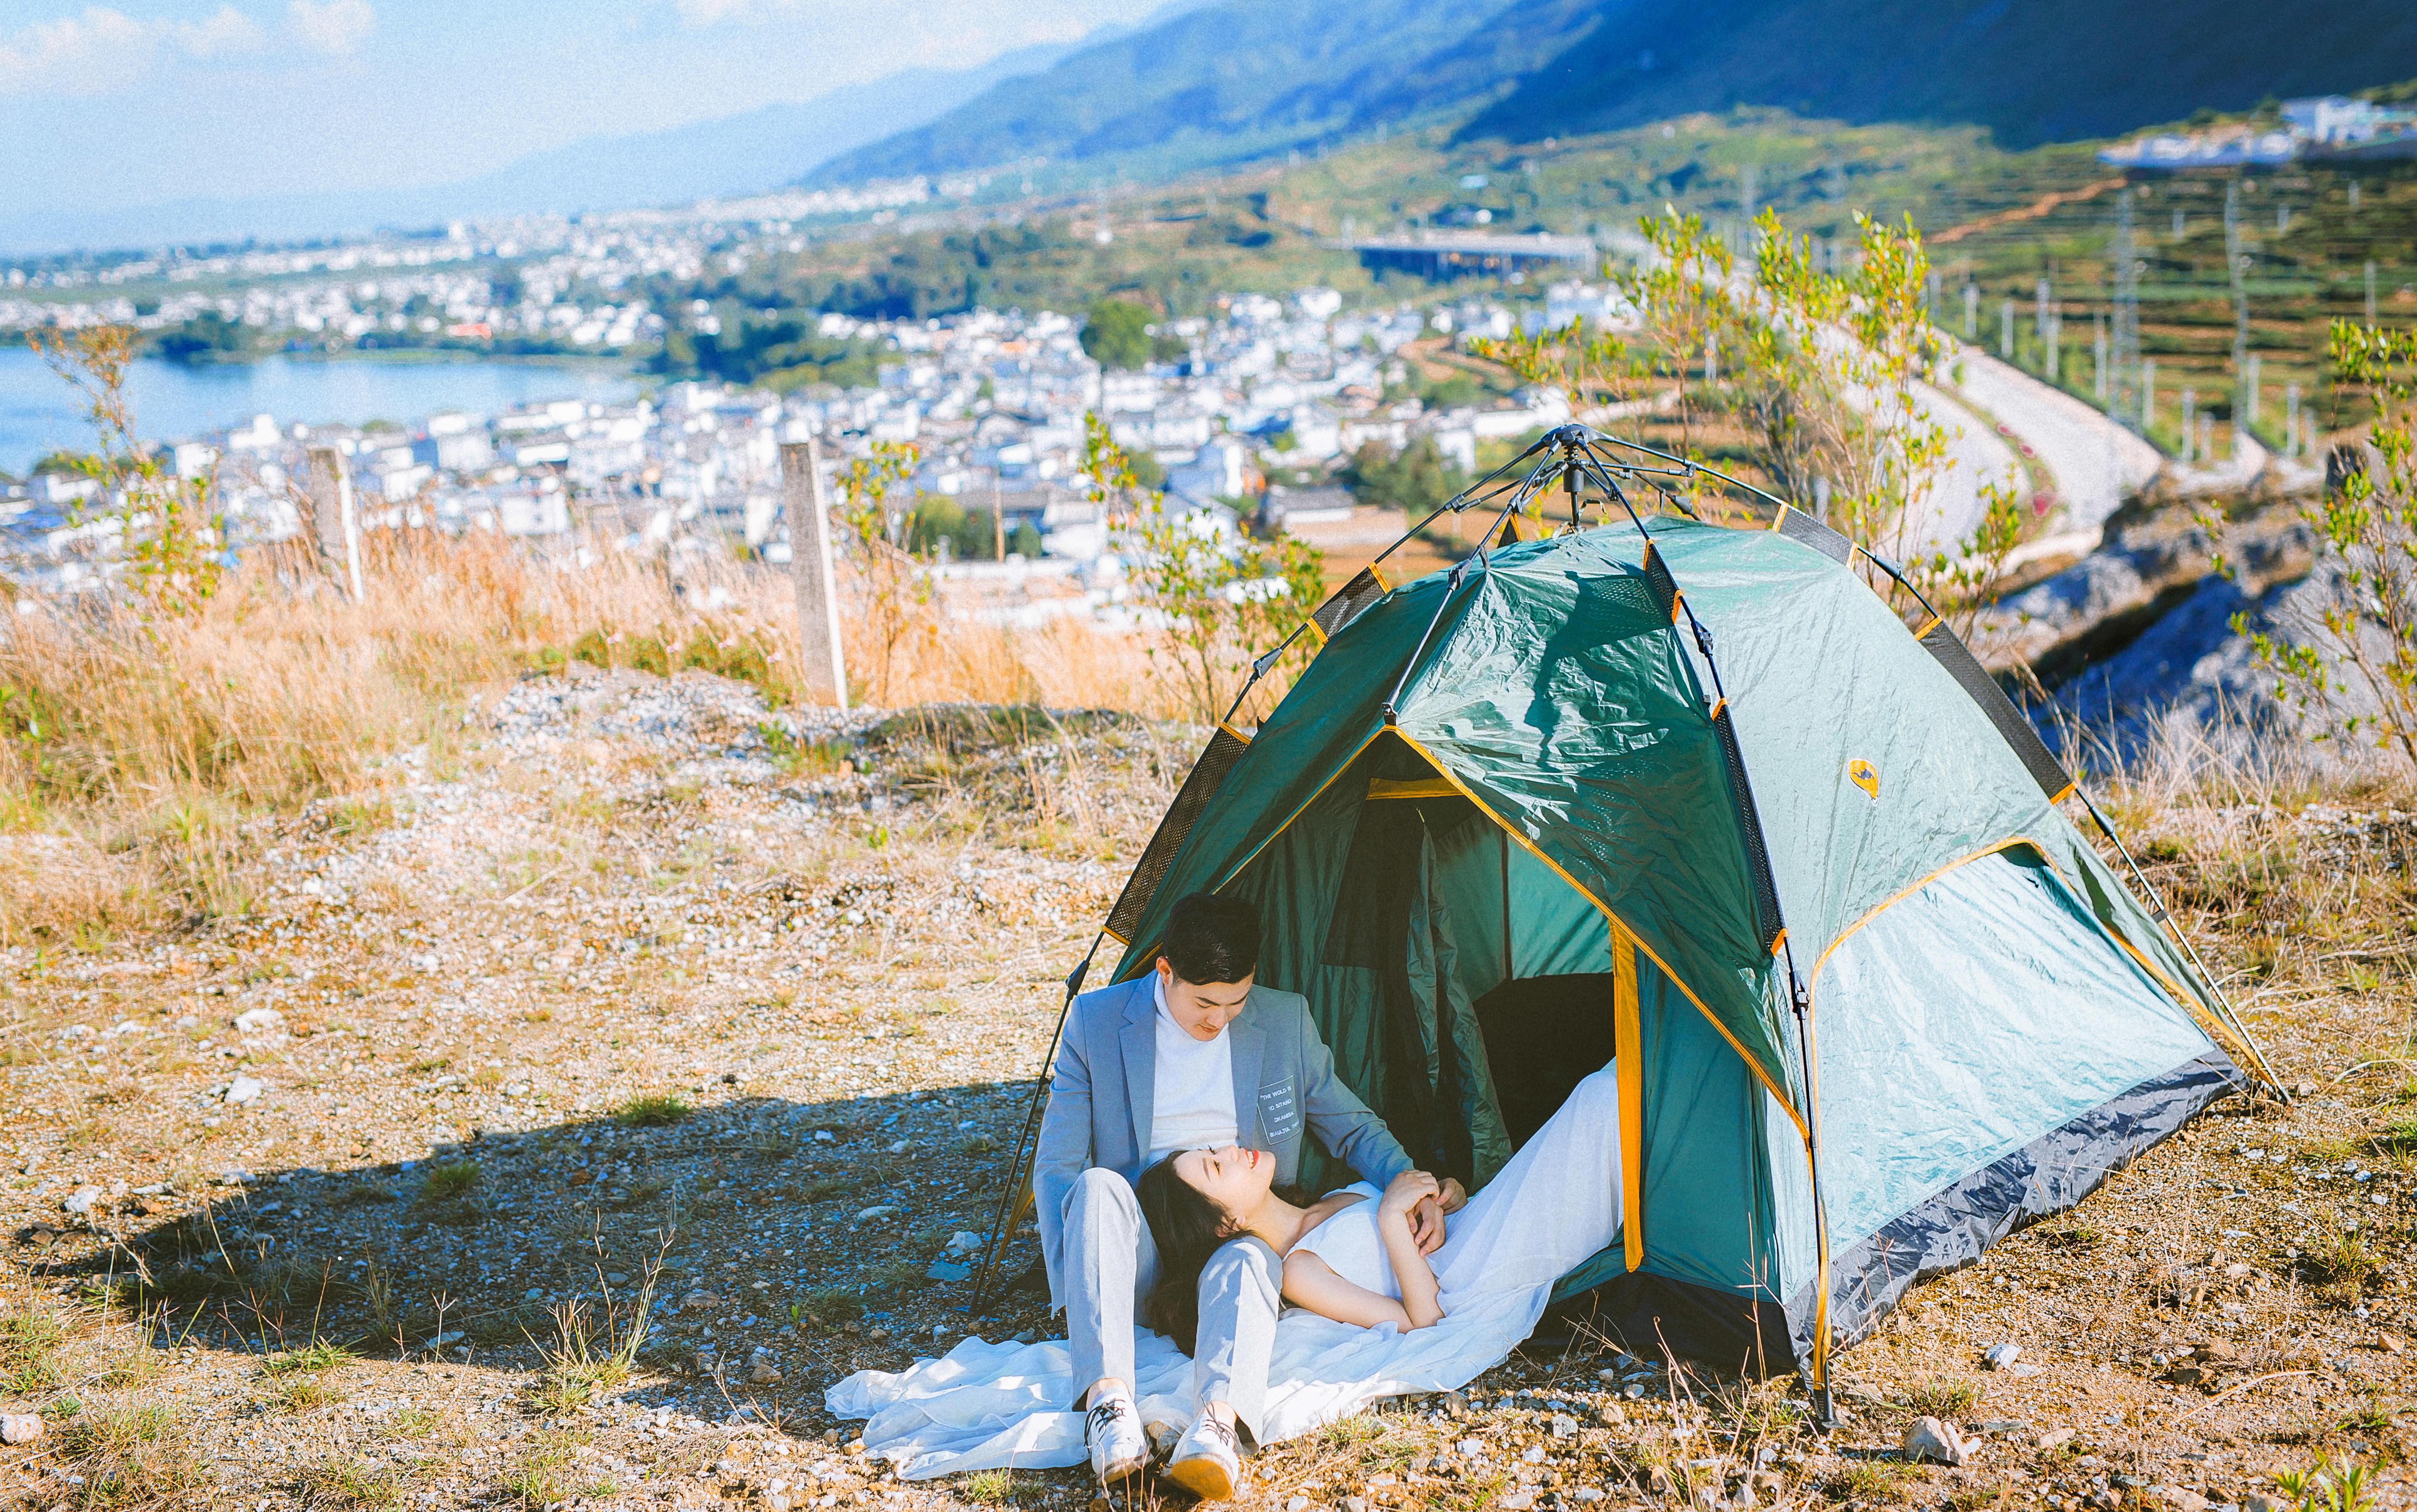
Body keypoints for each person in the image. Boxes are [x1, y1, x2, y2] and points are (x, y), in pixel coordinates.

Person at [1033, 893, 1467, 1500]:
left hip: (1234, 1224)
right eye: (1205, 1002)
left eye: (1236, 1001)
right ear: (1165, 971)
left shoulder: (1283, 1020)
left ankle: (1219, 1428)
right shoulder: (1098, 1022)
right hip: (1141, 1237)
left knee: (1253, 1256)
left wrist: (1409, 1179)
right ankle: (1109, 1409)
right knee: (1097, 1184)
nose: (1220, 1018)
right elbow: (1055, 1166)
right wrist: (1077, 1284)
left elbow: (1350, 1123)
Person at [1135, 1061, 1625, 1345]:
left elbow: (1423, 1228)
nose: (1228, 1150)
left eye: (1212, 1150)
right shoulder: (1299, 1271)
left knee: (1612, 1079)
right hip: (1484, 1268)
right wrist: (1392, 1219)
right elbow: (1424, 1321)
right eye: (1216, 1167)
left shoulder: (1327, 1200)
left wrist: (1446, 1198)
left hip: (1487, 1221)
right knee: (1603, 1099)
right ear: (1225, 1225)